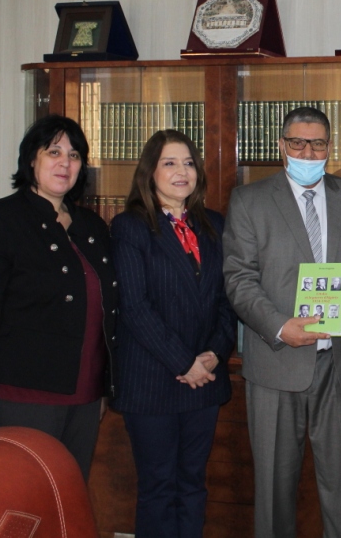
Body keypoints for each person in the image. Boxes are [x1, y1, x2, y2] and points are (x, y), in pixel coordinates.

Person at [223, 106, 341, 538]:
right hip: (276, 363)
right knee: (274, 492)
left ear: (330, 148)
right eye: (297, 143)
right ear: (282, 146)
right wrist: (281, 327)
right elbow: (239, 279)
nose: (307, 152)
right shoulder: (249, 200)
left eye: (317, 144)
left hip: (340, 361)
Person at [0, 114, 117, 480]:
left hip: (86, 398)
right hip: (22, 400)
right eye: (53, 152)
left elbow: (106, 314)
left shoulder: (91, 226)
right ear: (31, 160)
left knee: (69, 497)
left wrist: (102, 390)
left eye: (74, 155)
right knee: (22, 499)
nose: (65, 162)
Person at [110, 130, 236, 538]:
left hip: (205, 380)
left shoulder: (214, 225)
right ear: (149, 172)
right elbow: (135, 307)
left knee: (193, 484)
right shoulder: (130, 227)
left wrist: (215, 353)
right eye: (169, 163)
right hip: (153, 381)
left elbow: (228, 298)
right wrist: (185, 363)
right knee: (159, 487)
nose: (182, 171)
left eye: (188, 163)